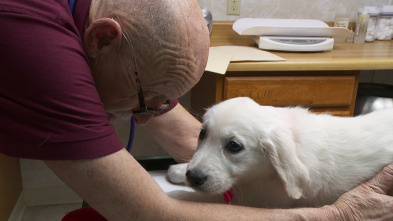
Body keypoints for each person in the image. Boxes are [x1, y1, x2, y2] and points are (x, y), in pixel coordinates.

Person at [1, 0, 393, 220]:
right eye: (151, 96)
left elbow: (182, 136)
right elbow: (145, 213)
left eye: (164, 102)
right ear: (103, 39)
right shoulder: (33, 44)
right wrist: (338, 216)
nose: (148, 114)